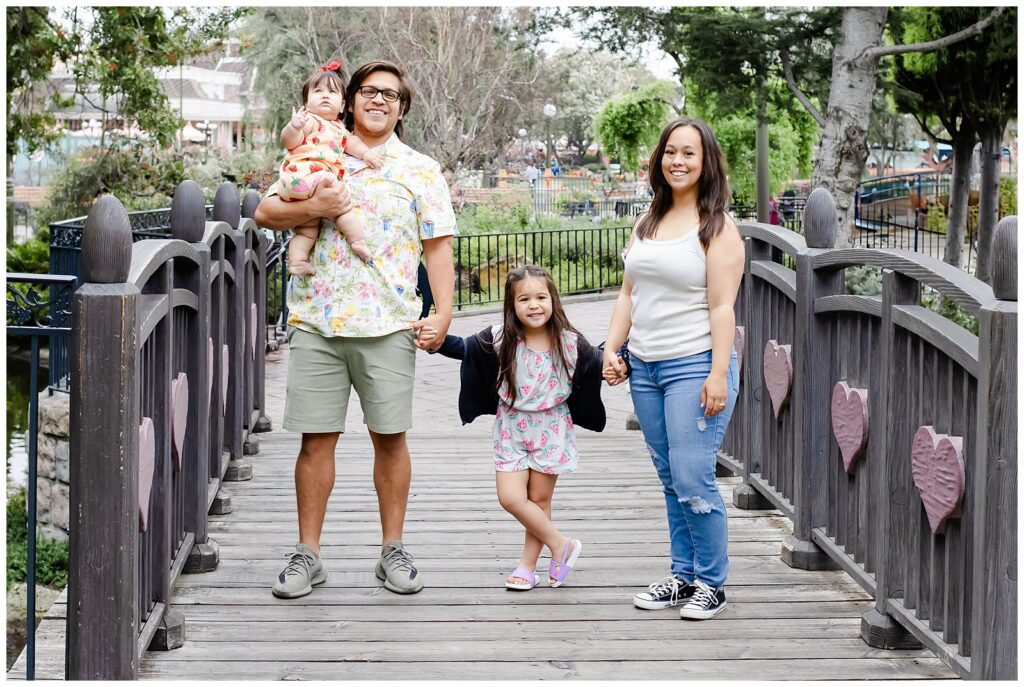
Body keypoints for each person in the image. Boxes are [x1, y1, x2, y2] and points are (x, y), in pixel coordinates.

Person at [253, 60, 457, 599]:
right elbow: (265, 212)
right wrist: (316, 204)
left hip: (389, 323)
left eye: (391, 95)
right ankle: (307, 554)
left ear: (403, 107)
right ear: (350, 100)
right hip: (318, 319)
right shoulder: (315, 150)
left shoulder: (420, 170)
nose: (380, 101)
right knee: (315, 442)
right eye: (369, 91)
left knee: (390, 440)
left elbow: (438, 246)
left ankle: (392, 549)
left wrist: (444, 312)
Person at [602, 117, 744, 621]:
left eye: (689, 153)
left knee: (692, 476)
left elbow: (722, 308)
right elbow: (628, 292)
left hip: (695, 363)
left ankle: (712, 583)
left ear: (706, 162)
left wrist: (719, 373)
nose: (677, 161)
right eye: (670, 152)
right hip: (646, 366)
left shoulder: (718, 227)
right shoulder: (649, 219)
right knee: (670, 477)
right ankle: (683, 575)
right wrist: (612, 349)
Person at [419, 265, 619, 590]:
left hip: (551, 429)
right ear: (512, 305)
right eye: (524, 299)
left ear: (552, 299)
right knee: (511, 498)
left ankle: (527, 566)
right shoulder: (499, 339)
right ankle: (560, 545)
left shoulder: (569, 343)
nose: (534, 305)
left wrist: (615, 368)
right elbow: (463, 348)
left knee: (538, 501)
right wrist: (434, 341)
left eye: (541, 297)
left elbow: (596, 364)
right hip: (511, 428)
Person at [277, 62, 385, 274]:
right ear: (306, 102)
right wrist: (293, 127)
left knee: (307, 231)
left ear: (343, 105)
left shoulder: (338, 128)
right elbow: (290, 141)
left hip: (301, 187)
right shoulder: (310, 121)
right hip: (307, 177)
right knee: (342, 207)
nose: (325, 96)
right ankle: (358, 241)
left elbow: (352, 144)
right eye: (318, 91)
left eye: (332, 92)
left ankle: (298, 262)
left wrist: (366, 154)